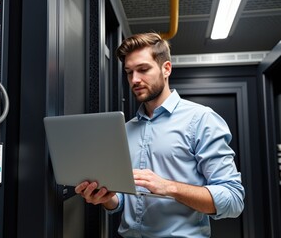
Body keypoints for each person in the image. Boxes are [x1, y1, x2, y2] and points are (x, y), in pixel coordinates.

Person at [75, 32, 245, 238]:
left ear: (166, 69)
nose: (135, 80)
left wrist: (169, 187)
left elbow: (233, 199)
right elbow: (122, 200)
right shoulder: (125, 129)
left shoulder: (202, 119)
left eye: (143, 69)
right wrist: (106, 198)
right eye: (129, 72)